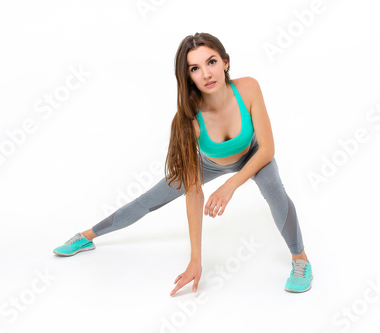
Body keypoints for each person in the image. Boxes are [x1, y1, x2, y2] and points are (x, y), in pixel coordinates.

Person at [53, 32, 313, 295]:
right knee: (148, 199)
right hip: (209, 164)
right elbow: (194, 193)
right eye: (195, 69)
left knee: (274, 190)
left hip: (254, 154)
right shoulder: (188, 120)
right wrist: (196, 260)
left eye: (211, 62)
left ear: (225, 62)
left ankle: (300, 260)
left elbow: (267, 149)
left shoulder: (248, 88)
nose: (206, 74)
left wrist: (230, 185)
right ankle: (86, 237)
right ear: (188, 76)